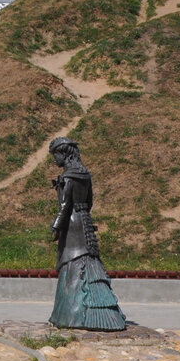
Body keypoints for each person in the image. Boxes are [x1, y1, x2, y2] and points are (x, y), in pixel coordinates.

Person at [47, 137, 126, 331]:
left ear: (64, 153)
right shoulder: (85, 175)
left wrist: (56, 227)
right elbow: (89, 202)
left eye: (55, 155)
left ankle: (71, 315)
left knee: (72, 263)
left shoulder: (68, 177)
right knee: (86, 259)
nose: (54, 159)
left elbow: (64, 206)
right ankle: (101, 313)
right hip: (84, 220)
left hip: (71, 224)